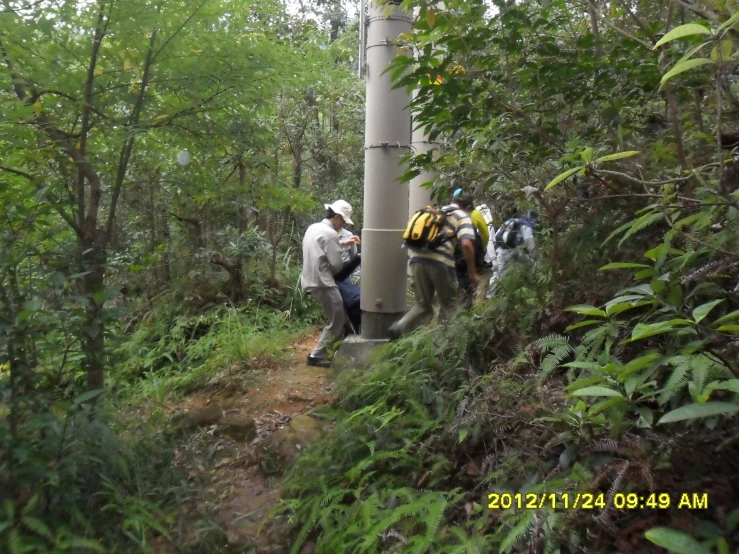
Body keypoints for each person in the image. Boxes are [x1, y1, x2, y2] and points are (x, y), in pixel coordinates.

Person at [388, 193, 480, 340]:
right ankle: (442, 347)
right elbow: (467, 244)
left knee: (423, 304)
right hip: (441, 263)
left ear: (453, 200)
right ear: (468, 207)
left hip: (416, 259)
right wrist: (473, 272)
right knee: (448, 306)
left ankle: (399, 327)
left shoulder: (437, 212)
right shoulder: (462, 216)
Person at [300, 200, 355, 367]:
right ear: (337, 217)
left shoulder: (313, 228)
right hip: (324, 283)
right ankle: (317, 356)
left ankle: (333, 349)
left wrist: (343, 243)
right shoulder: (330, 234)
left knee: (338, 316)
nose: (343, 224)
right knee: (337, 320)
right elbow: (337, 264)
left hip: (310, 279)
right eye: (343, 221)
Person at [487, 209, 539, 296]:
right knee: (530, 263)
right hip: (513, 251)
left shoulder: (512, 221)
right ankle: (533, 283)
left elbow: (496, 236)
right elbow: (530, 244)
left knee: (498, 274)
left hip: (501, 249)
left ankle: (489, 296)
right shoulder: (526, 226)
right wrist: (535, 255)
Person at [452, 189, 489, 307]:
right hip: (468, 253)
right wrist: (481, 249)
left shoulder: (450, 214)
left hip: (453, 254)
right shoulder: (474, 214)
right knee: (468, 282)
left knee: (460, 281)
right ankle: (464, 308)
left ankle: (460, 307)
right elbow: (485, 233)